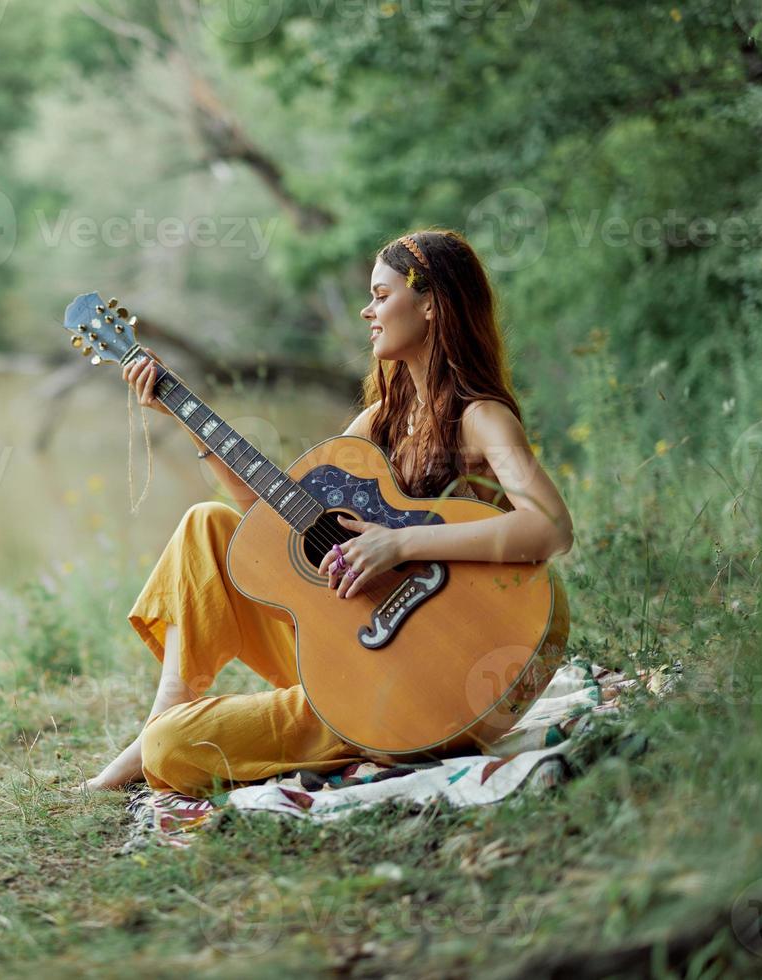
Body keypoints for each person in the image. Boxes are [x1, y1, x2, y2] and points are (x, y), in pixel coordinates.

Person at [80, 228, 575, 796]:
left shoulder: (480, 419)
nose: (368, 311)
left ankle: (152, 744)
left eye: (382, 295)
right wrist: (189, 422)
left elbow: (550, 527)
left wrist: (399, 543)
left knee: (174, 748)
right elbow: (276, 521)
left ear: (432, 304)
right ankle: (160, 722)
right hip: (356, 645)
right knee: (207, 525)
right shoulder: (376, 425)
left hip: (422, 687)